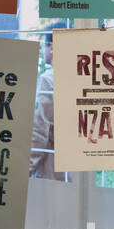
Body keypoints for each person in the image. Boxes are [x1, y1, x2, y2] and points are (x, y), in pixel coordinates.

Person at [29, 22, 69, 181]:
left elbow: (39, 130)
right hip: (75, 175)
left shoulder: (48, 80)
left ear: (52, 47)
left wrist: (27, 169)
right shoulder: (80, 77)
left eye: (44, 45)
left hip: (51, 172)